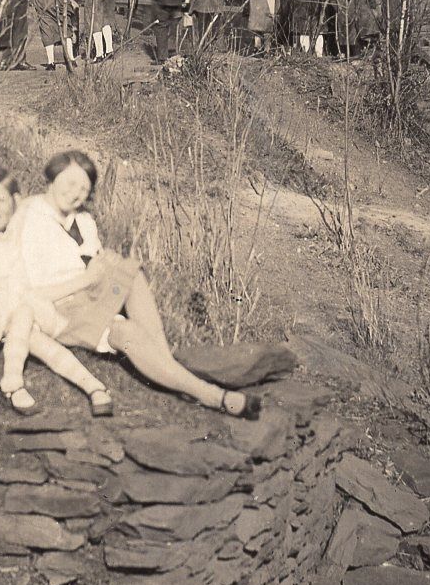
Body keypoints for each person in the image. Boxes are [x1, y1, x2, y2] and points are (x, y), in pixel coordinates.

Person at [13, 151, 258, 416]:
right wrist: (88, 278)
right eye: (70, 183)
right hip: (59, 310)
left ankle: (167, 365)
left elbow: (90, 260)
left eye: (84, 189)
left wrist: (105, 263)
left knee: (130, 270)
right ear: (53, 176)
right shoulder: (27, 216)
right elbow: (28, 293)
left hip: (89, 294)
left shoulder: (82, 220)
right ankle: (213, 396)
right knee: (125, 332)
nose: (75, 194)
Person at [0, 166, 117, 416]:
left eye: (1, 200)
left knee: (30, 326)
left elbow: (43, 204)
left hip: (12, 315)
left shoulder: (18, 229)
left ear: (15, 201)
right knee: (25, 314)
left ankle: (90, 387)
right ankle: (15, 382)